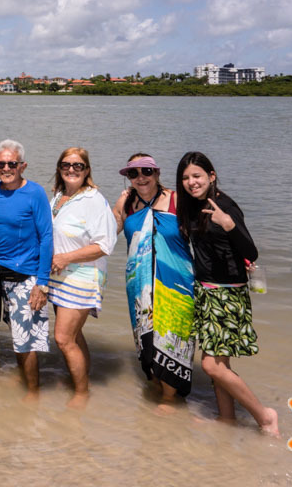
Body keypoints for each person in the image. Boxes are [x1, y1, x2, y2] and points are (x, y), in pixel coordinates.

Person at [177, 152, 278, 435]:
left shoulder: (225, 206)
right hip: (207, 292)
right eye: (185, 178)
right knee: (219, 361)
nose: (191, 183)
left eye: (197, 176)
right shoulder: (194, 206)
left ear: (212, 175)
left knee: (210, 365)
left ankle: (265, 416)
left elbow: (251, 251)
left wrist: (229, 224)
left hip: (227, 295)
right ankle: (227, 418)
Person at [114, 153, 195, 408]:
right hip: (139, 286)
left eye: (146, 171)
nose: (140, 178)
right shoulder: (127, 202)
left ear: (157, 173)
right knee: (147, 344)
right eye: (133, 173)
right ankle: (159, 393)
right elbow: (103, 233)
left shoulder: (177, 200)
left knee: (171, 339)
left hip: (176, 285)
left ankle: (168, 402)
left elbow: (205, 235)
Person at [47, 147, 115, 408]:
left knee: (63, 338)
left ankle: (82, 393)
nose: (72, 170)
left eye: (78, 166)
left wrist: (65, 258)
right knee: (74, 336)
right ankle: (81, 377)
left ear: (87, 170)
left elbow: (104, 245)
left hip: (83, 276)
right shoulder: (59, 196)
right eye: (66, 165)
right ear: (59, 168)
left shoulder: (94, 199)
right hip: (59, 276)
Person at [0, 139, 52, 397]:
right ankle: (25, 381)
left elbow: (46, 237)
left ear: (22, 165)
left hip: (27, 276)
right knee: (18, 337)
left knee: (27, 342)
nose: (6, 168)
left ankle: (33, 392)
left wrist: (42, 282)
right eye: (1, 164)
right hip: (1, 275)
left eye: (12, 163)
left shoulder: (35, 193)